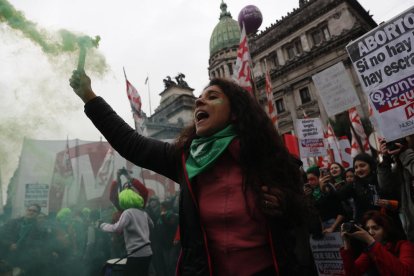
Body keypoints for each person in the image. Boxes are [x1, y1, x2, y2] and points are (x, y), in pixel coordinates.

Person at [69, 71, 305, 275]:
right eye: (198, 100)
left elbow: (309, 218)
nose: (199, 103)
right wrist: (89, 97)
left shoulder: (270, 159)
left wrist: (285, 205)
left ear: (235, 112)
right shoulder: (186, 158)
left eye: (212, 97)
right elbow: (132, 144)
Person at [340, 210, 414, 275]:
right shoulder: (371, 251)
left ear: (386, 230)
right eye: (367, 229)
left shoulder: (404, 245)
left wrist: (371, 242)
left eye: (375, 228)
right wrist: (346, 243)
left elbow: (406, 273)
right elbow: (352, 273)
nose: (370, 232)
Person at [100, 189, 153, 276]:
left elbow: (117, 228)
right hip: (148, 252)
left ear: (124, 200)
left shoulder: (128, 212)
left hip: (136, 254)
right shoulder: (143, 212)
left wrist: (102, 225)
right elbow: (152, 225)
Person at [377, 136, 414, 242]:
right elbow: (386, 187)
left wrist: (405, 153)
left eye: (404, 138)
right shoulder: (399, 167)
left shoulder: (407, 158)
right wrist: (385, 160)